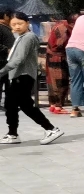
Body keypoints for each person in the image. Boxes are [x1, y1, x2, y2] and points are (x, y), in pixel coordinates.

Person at [1, 13, 63, 145]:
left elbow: (19, 59)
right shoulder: (20, 37)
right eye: (13, 24)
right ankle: (12, 134)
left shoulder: (28, 37)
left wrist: (2, 71)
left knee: (26, 105)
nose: (17, 27)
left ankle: (51, 129)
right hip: (16, 75)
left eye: (20, 23)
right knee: (10, 105)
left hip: (23, 76)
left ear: (27, 23)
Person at [43, 13, 71, 112]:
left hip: (51, 55)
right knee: (60, 81)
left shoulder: (57, 26)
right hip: (57, 57)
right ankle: (58, 106)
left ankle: (53, 104)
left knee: (51, 81)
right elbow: (60, 43)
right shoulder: (63, 28)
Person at [0, 11, 12, 110]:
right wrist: (6, 49)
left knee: (8, 82)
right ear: (5, 16)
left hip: (8, 60)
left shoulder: (7, 27)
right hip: (1, 60)